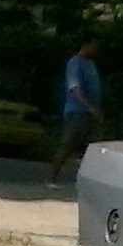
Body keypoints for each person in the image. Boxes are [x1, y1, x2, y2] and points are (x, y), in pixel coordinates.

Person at [47, 38, 102, 187]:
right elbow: (75, 88)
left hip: (90, 111)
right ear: (85, 45)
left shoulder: (91, 64)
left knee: (88, 147)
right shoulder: (75, 63)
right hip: (77, 110)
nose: (96, 50)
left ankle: (83, 180)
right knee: (68, 144)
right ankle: (51, 179)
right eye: (93, 46)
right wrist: (89, 106)